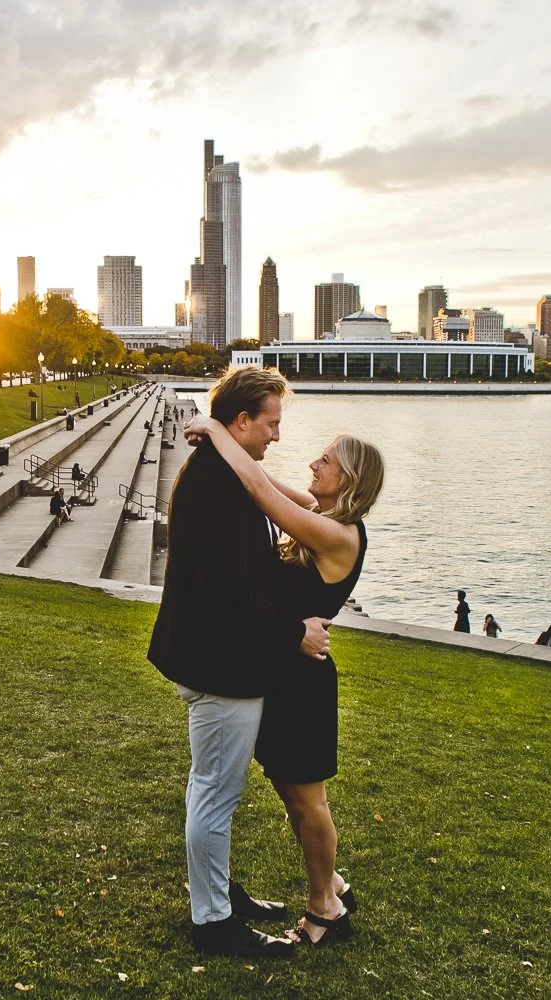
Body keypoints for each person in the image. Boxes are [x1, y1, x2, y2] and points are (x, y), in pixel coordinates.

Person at [183, 406, 384, 950]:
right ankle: (332, 881)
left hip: (304, 681)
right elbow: (266, 479)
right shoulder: (322, 514)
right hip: (282, 667)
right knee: (290, 791)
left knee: (306, 799)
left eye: (326, 460)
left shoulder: (339, 535)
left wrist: (218, 431)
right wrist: (228, 444)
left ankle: (326, 908)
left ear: (350, 479)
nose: (313, 464)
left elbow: (258, 489)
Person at [149, 366, 331, 958]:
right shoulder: (218, 483)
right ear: (242, 420)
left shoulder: (224, 471)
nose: (277, 435)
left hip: (211, 654)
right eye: (271, 423)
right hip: (219, 664)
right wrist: (294, 632)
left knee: (213, 788)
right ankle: (213, 922)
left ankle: (218, 889)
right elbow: (227, 591)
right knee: (215, 793)